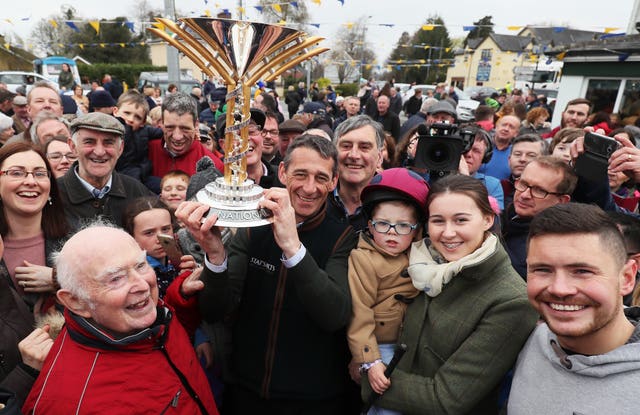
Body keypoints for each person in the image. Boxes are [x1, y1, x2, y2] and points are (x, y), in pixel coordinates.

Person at [176, 134, 358, 414]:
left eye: (321, 178)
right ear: (283, 172)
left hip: (316, 398)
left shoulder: (342, 237)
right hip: (247, 390)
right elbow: (217, 310)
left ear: (334, 182)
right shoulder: (253, 227)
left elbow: (334, 314)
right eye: (300, 174)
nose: (310, 188)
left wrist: (293, 248)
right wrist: (215, 255)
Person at [363, 174, 537, 413]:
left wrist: (367, 380)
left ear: (487, 219)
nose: (447, 233)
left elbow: (446, 398)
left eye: (461, 220)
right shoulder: (421, 264)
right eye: (438, 221)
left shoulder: (511, 301)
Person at [22, 224, 219, 415]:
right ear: (76, 302)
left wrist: (180, 297)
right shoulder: (70, 403)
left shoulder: (154, 315)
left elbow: (170, 338)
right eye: (116, 278)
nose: (142, 284)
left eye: (141, 265)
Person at [508, 203, 640, 415]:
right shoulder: (534, 339)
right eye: (542, 269)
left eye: (582, 271)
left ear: (627, 278)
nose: (559, 289)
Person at [347, 168, 427, 415]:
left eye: (403, 225)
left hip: (413, 345)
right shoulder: (364, 259)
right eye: (383, 224)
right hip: (382, 346)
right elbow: (360, 314)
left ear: (416, 230)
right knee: (384, 405)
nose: (392, 232)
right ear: (369, 226)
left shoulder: (421, 256)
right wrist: (368, 360)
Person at [0, 142, 69, 316]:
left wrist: (59, 279)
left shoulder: (77, 240)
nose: (31, 181)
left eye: (39, 174)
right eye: (16, 173)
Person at [58, 112, 152, 229]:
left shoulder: (136, 191)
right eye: (89, 142)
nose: (99, 152)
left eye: (108, 143)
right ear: (73, 147)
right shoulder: (53, 195)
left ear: (120, 148)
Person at [502, 156, 576, 278]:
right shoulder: (499, 218)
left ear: (562, 200)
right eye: (523, 184)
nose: (525, 195)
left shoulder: (555, 247)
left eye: (539, 191)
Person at [149, 92, 224, 177]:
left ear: (196, 125)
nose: (177, 136)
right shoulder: (147, 151)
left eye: (185, 128)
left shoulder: (215, 168)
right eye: (170, 127)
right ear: (162, 123)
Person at [332, 115, 384, 230]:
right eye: (346, 146)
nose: (354, 155)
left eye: (364, 147)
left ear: (379, 158)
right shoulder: (316, 199)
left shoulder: (392, 206)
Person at [113, 90, 163, 189]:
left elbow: (164, 132)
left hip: (140, 173)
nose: (131, 119)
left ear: (143, 122)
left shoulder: (144, 131)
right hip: (115, 174)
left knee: (163, 185)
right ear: (115, 111)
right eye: (127, 113)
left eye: (137, 117)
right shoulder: (107, 130)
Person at [462, 126, 505, 210]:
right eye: (464, 147)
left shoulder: (492, 185)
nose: (468, 154)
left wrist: (464, 179)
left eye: (476, 150)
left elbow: (494, 221)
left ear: (485, 158)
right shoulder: (435, 176)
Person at [500, 133, 545, 208]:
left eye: (531, 155)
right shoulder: (500, 187)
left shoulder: (548, 194)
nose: (522, 159)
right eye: (517, 154)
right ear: (509, 159)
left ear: (544, 160)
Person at [478, 115, 521, 180]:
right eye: (504, 125)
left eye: (511, 127)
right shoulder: (480, 145)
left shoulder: (516, 154)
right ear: (496, 126)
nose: (506, 129)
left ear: (516, 133)